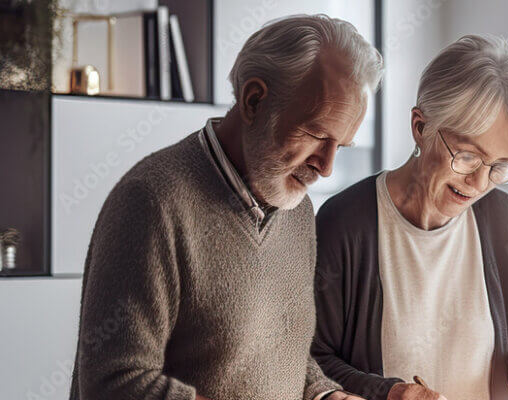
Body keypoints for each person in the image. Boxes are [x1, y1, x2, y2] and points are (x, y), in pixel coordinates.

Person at [69, 14, 382, 400]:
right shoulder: (152, 201)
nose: (327, 165)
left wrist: (324, 394)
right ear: (254, 100)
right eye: (316, 134)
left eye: (341, 145)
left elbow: (282, 355)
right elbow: (113, 382)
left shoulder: (298, 211)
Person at [311, 35, 508, 400]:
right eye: (466, 156)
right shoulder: (346, 223)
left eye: (500, 166)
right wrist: (391, 394)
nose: (480, 182)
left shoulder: (502, 220)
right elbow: (313, 363)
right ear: (420, 127)